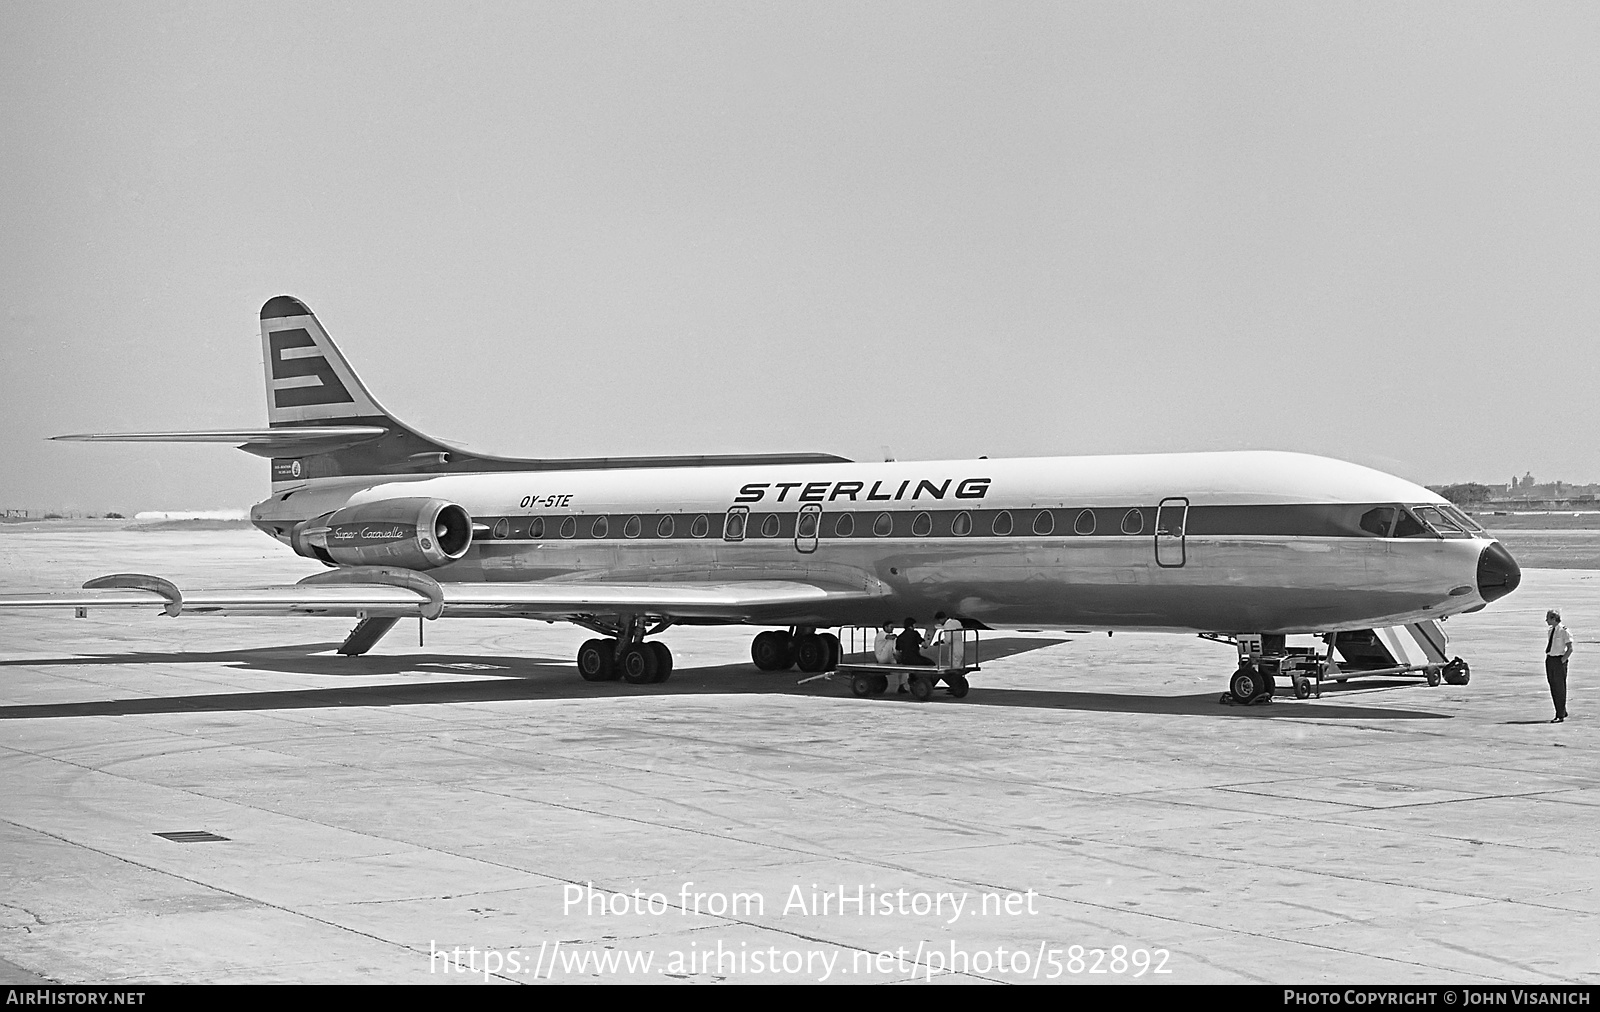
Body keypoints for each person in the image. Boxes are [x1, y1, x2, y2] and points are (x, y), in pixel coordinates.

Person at [1546, 609, 1572, 723]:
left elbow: (1570, 648)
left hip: (1558, 660)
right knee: (1553, 686)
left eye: (1548, 618)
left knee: (1559, 688)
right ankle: (1562, 710)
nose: (1546, 620)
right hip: (1550, 659)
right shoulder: (1551, 630)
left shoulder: (1564, 631)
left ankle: (1559, 715)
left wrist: (1562, 661)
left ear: (1554, 618)